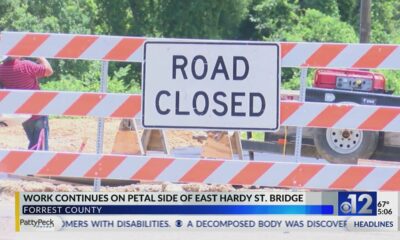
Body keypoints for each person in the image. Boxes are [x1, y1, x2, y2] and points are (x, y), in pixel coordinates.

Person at [0, 56, 53, 150]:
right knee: (40, 146)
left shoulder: (1, 70)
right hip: (38, 111)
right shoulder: (26, 65)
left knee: (33, 141)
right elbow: (49, 71)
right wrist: (42, 59)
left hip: (22, 114)